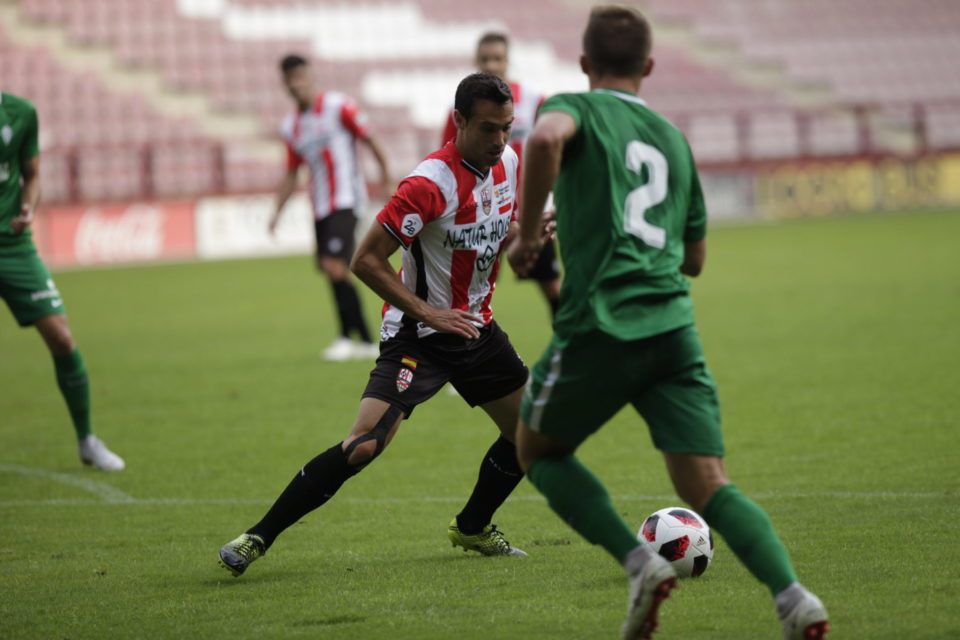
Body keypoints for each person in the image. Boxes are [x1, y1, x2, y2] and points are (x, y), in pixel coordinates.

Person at [506, 6, 829, 640]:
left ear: (584, 62)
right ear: (649, 66)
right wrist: (589, 216)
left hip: (602, 322)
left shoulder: (575, 105)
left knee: (537, 450)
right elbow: (694, 259)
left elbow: (542, 141)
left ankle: (640, 564)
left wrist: (527, 235)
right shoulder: (673, 139)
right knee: (708, 484)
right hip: (673, 330)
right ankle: (794, 599)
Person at [219, 72, 550, 576]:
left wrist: (527, 230)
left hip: (475, 329)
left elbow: (490, 231)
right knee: (364, 446)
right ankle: (256, 538)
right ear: (459, 121)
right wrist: (429, 312)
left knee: (531, 435)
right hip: (419, 335)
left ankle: (473, 526)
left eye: (506, 128)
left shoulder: (507, 163)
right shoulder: (428, 184)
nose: (500, 140)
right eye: (488, 128)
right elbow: (366, 260)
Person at [0, 91, 124, 472]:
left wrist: (28, 206)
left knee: (62, 338)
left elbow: (32, 176)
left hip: (13, 246)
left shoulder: (20, 113)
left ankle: (87, 440)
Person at [268, 54, 392, 362]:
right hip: (320, 205)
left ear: (310, 76)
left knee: (335, 265)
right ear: (284, 84)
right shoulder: (291, 126)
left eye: (299, 76)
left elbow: (370, 139)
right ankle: (352, 338)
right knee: (331, 269)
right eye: (289, 79)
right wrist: (277, 212)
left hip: (346, 199)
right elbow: (291, 172)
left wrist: (386, 179)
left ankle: (361, 339)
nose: (296, 84)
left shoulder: (339, 106)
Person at [442, 32, 561, 318]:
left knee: (552, 288)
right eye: (485, 59)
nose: (491, 65)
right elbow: (447, 157)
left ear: (508, 61)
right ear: (476, 61)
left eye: (497, 59)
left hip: (528, 212)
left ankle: (570, 341)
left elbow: (555, 147)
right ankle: (467, 340)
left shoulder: (533, 100)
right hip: (481, 213)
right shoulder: (460, 110)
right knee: (468, 290)